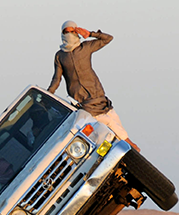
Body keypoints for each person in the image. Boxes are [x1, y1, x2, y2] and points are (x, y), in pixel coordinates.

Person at [46, 21, 140, 151]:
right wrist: (48, 96)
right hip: (84, 102)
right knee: (107, 125)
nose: (69, 34)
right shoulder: (60, 56)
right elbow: (56, 79)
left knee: (115, 124)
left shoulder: (85, 47)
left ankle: (124, 155)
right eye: (65, 32)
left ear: (76, 31)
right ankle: (131, 146)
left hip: (99, 96)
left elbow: (108, 38)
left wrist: (90, 33)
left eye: (72, 31)